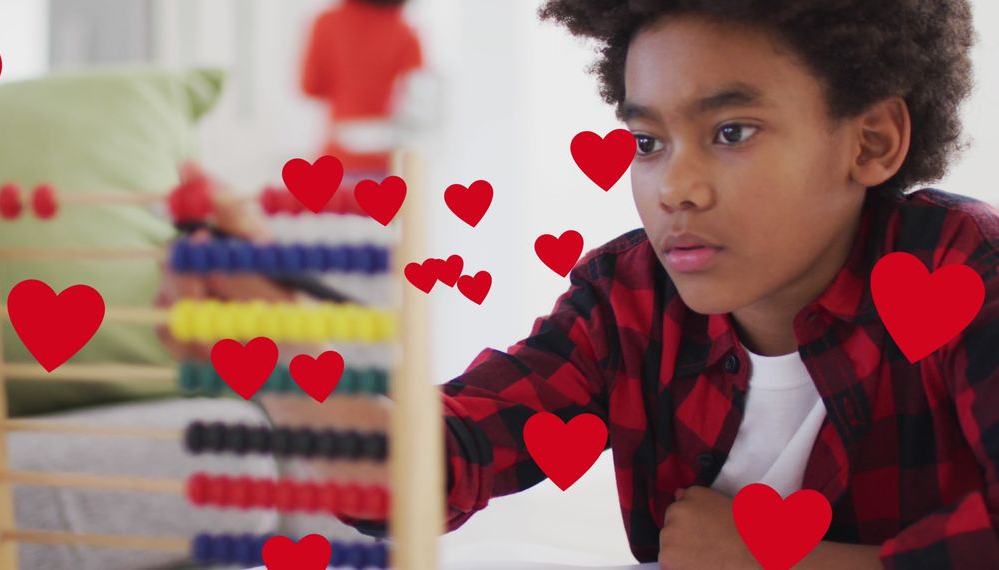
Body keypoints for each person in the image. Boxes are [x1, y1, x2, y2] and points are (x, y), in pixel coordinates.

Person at [158, 2, 999, 569]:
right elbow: (443, 457)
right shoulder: (626, 298)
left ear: (874, 142)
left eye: (731, 131)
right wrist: (276, 345)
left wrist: (782, 559)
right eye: (647, 142)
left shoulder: (965, 272)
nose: (676, 187)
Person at [299, 0, 424, 186]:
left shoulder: (326, 23)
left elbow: (310, 87)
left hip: (336, 159)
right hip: (387, 162)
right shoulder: (405, 32)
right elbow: (419, 100)